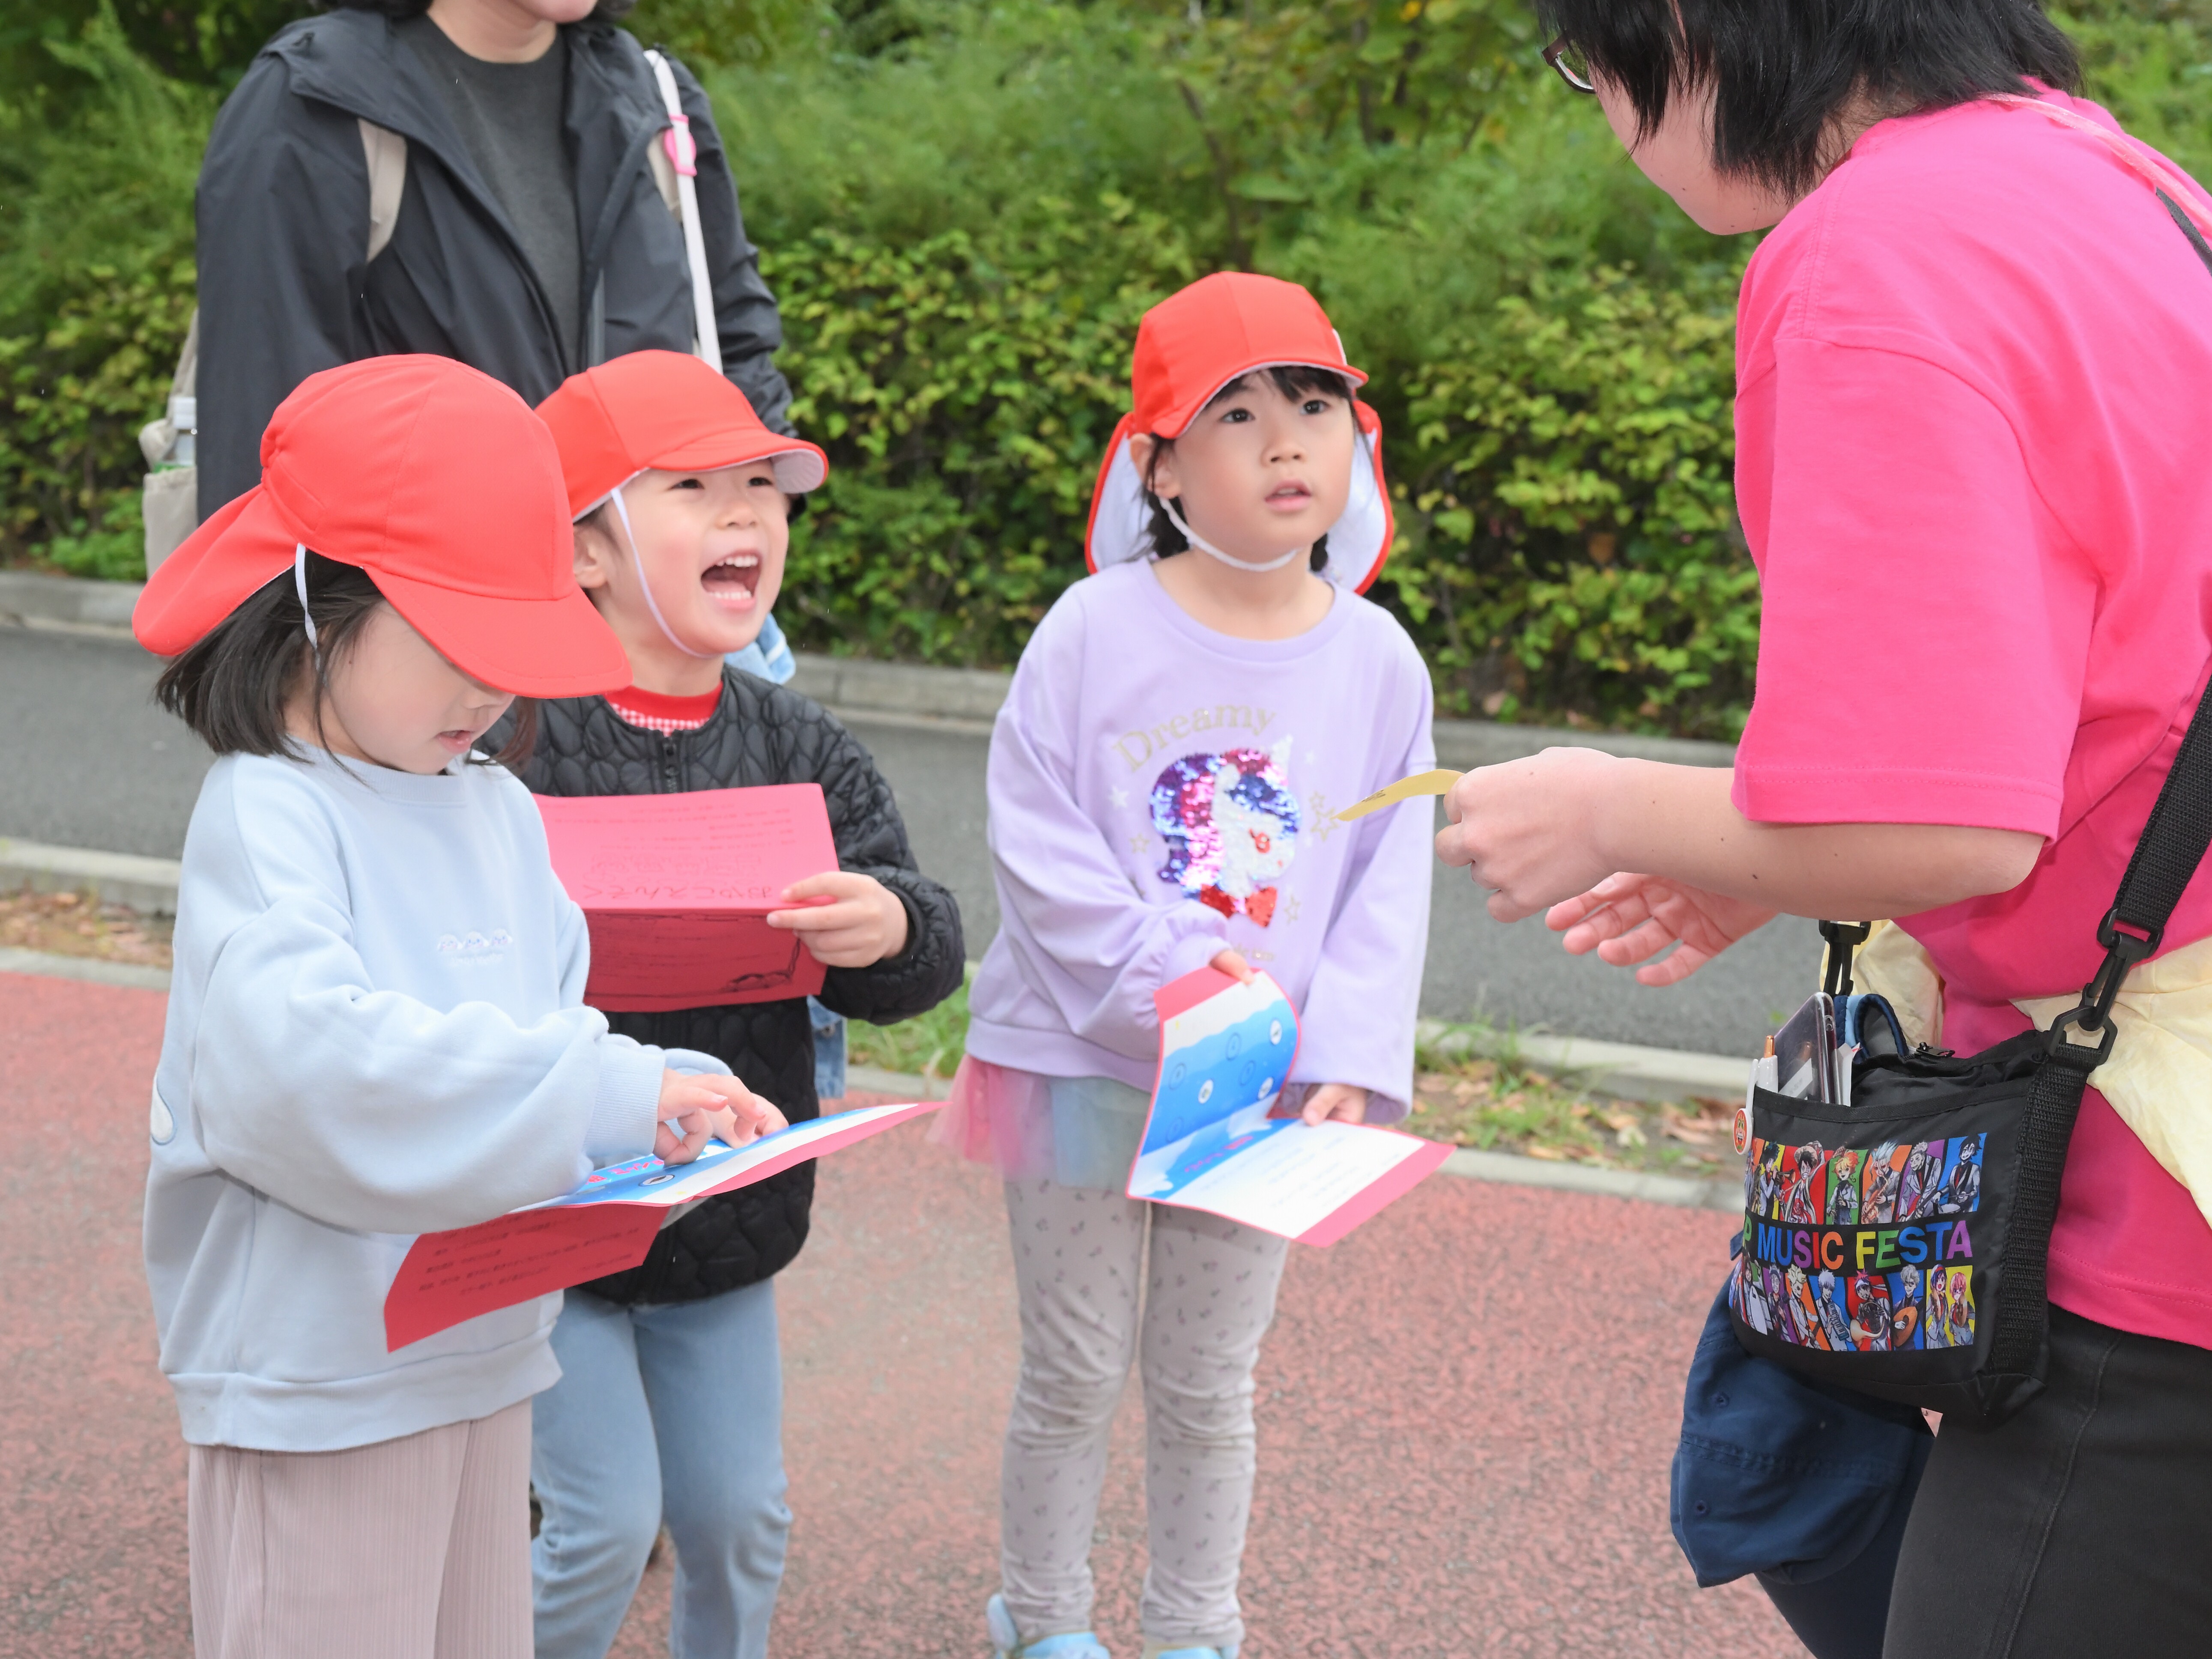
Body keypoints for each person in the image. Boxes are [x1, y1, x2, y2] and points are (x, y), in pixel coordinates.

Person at [1454, 3, 2212, 1650]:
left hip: (2157, 1215)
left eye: (1589, 63)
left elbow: (1939, 821)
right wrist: (1760, 851)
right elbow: (2127, 685)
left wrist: (1604, 805)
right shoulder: (2123, 183)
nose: (1606, 110)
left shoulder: (1875, 249)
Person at [131, 352, 784, 1659]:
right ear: (318, 600)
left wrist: (642, 1104)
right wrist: (600, 1091)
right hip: (318, 1372)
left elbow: (549, 1028)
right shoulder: (272, 811)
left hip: (484, 1348)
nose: (491, 690)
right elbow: (306, 1072)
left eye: (517, 647)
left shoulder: (494, 807)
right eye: (458, 641)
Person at [937, 272, 1435, 1659]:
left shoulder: (1377, 661)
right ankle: (1043, 1620)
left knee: (1213, 1381)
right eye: (1237, 414)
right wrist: (1167, 970)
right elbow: (1036, 840)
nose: (1287, 443)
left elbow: (1387, 881)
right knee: (1075, 1367)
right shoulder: (1090, 631)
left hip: (1257, 1087)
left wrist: (1345, 1054)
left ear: (1356, 445)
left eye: (1317, 408)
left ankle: (1194, 1629)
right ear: (1158, 468)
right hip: (1078, 1061)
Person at [511, 348, 967, 1659]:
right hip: (548, 1214)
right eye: (694, 488)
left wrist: (890, 926)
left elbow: (924, 942)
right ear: (584, 548)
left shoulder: (799, 745)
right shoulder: (508, 737)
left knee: (737, 1518)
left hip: (726, 1212)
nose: (745, 515)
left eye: (764, 487)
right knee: (601, 1520)